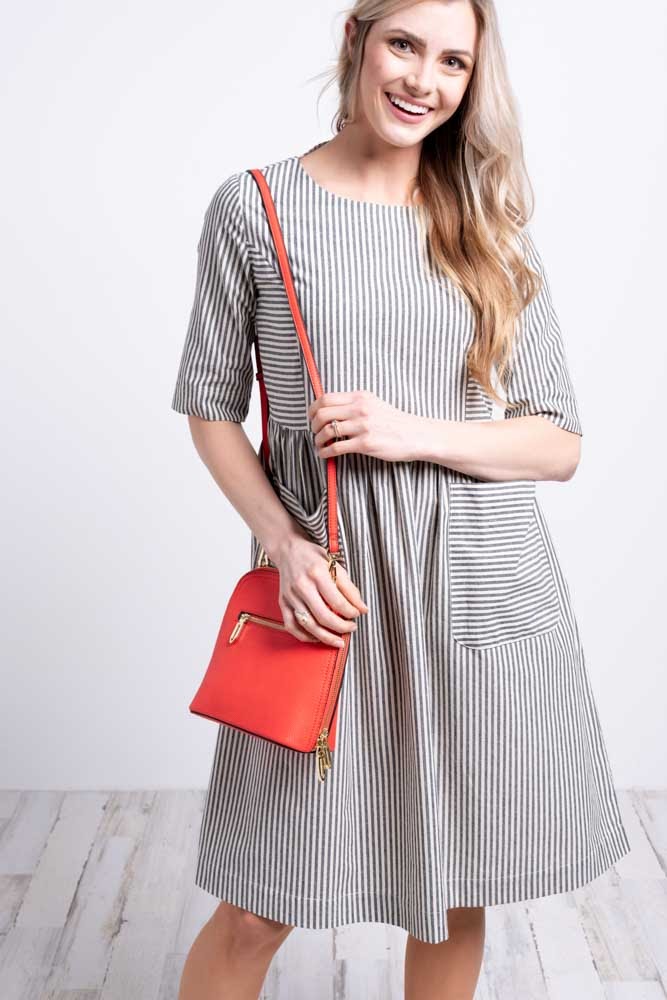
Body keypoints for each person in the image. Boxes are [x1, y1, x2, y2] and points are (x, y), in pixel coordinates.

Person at [171, 2, 631, 997]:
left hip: (473, 589)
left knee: (455, 884)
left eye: (454, 61)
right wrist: (283, 548)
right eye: (406, 45)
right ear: (356, 43)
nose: (425, 79)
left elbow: (558, 443)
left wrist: (408, 431)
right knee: (259, 902)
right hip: (327, 593)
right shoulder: (255, 207)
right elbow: (210, 409)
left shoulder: (486, 229)